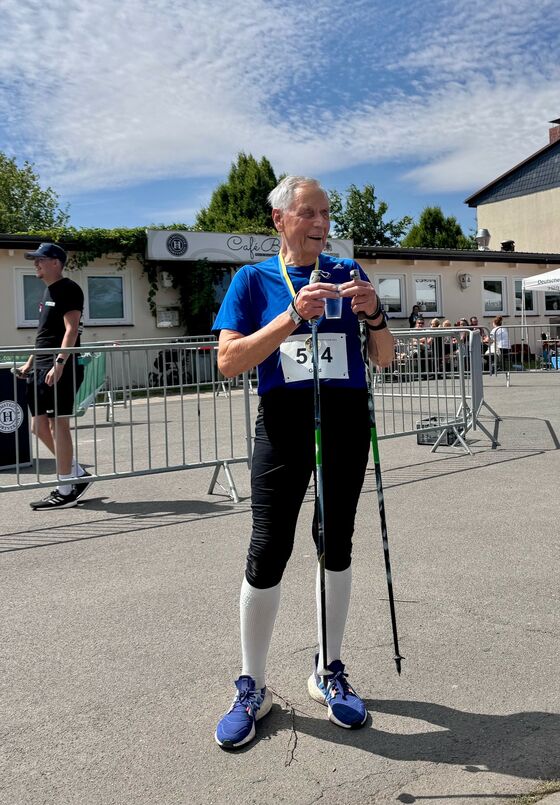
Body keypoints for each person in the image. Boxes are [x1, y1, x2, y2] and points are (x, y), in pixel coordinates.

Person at [212, 175, 395, 749]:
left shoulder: (347, 272)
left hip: (345, 423)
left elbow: (384, 358)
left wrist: (374, 315)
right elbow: (228, 361)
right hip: (283, 426)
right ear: (280, 219)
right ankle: (252, 686)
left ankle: (328, 669)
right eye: (308, 212)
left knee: (336, 541)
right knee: (268, 547)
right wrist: (291, 315)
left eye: (326, 213)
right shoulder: (252, 280)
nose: (321, 223)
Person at [18, 243, 92, 509]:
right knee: (38, 427)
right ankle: (77, 474)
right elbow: (45, 333)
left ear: (56, 263)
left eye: (40, 259)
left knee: (58, 424)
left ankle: (65, 490)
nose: (36, 264)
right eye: (35, 260)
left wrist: (60, 362)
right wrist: (30, 361)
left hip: (59, 366)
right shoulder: (48, 290)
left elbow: (71, 330)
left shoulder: (69, 289)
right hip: (41, 366)